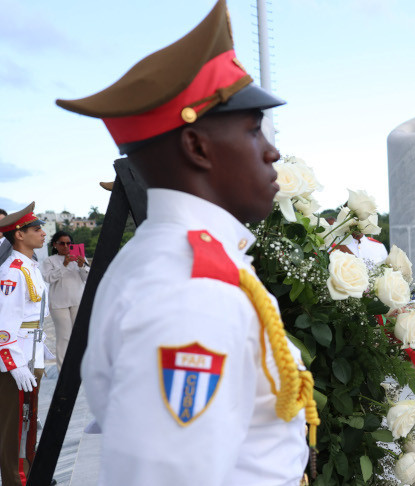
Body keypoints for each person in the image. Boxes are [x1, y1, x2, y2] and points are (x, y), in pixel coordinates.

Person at [57, 1, 318, 484]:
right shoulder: (192, 294)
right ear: (197, 146)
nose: (272, 149)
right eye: (252, 128)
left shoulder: (171, 261)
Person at [0, 203, 48, 486]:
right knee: (13, 430)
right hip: (15, 364)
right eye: (36, 229)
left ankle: (27, 477)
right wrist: (15, 365)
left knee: (28, 426)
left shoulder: (29, 266)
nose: (43, 233)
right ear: (19, 235)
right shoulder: (12, 272)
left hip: (31, 357)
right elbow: (4, 327)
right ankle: (15, 481)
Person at [40, 231, 88, 369]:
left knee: (79, 336)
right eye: (62, 243)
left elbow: (87, 279)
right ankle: (63, 371)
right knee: (64, 337)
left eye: (69, 243)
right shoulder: (49, 260)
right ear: (55, 244)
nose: (66, 246)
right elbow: (48, 278)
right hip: (59, 304)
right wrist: (64, 264)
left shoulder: (79, 258)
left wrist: (82, 265)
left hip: (77, 301)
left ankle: (80, 368)